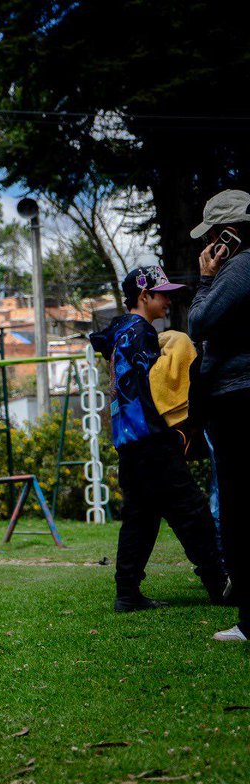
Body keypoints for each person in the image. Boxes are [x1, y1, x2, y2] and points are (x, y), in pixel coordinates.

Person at [89, 265, 228, 613]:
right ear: (144, 295)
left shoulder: (121, 330)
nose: (168, 300)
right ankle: (218, 585)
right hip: (151, 438)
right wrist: (179, 427)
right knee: (191, 510)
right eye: (162, 293)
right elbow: (151, 389)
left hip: (127, 441)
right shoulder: (140, 333)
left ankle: (127, 592)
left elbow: (103, 343)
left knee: (140, 516)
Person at [188, 189, 250, 642]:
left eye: (213, 234)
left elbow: (199, 322)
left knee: (238, 508)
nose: (210, 243)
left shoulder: (240, 268)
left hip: (237, 397)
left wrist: (206, 277)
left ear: (228, 231)